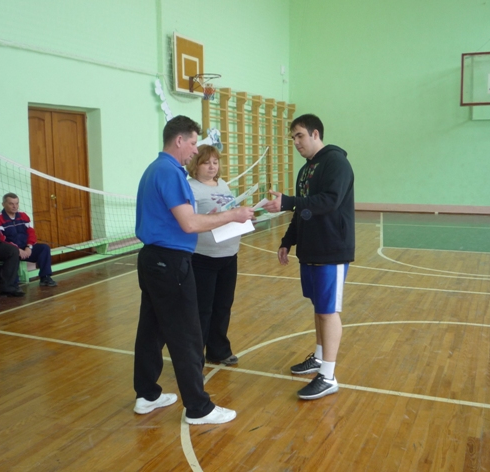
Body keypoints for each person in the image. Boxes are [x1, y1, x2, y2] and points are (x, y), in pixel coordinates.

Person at [133, 115, 254, 425]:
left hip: (152, 260)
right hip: (170, 263)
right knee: (187, 334)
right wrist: (232, 215)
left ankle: (147, 394)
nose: (195, 150)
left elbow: (178, 218)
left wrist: (219, 216)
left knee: (152, 329)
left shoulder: (155, 169)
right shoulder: (170, 172)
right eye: (192, 143)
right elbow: (189, 223)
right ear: (179, 140)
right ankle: (198, 408)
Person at [263, 114, 355, 400]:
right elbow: (303, 210)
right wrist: (287, 240)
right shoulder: (306, 170)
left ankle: (328, 376)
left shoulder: (336, 162)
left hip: (331, 249)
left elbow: (330, 201)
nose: (295, 142)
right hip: (311, 249)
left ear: (315, 134)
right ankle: (318, 357)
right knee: (319, 307)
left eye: (300, 135)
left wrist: (288, 201)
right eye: (293, 137)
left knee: (328, 311)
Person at [187, 145, 240, 367]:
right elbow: (190, 221)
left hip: (229, 255)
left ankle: (218, 350)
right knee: (202, 310)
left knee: (223, 306)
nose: (212, 167)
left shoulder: (223, 184)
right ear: (195, 165)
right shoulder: (190, 188)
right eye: (206, 162)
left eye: (215, 162)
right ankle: (194, 358)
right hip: (203, 258)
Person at [0, 193, 57, 287]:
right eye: (11, 204)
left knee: (44, 248)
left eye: (17, 203)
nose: (15, 206)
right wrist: (17, 250)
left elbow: (31, 233)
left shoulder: (23, 215)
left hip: (25, 248)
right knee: (12, 252)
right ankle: (13, 285)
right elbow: (1, 239)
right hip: (11, 250)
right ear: (3, 204)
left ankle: (45, 277)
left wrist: (29, 247)